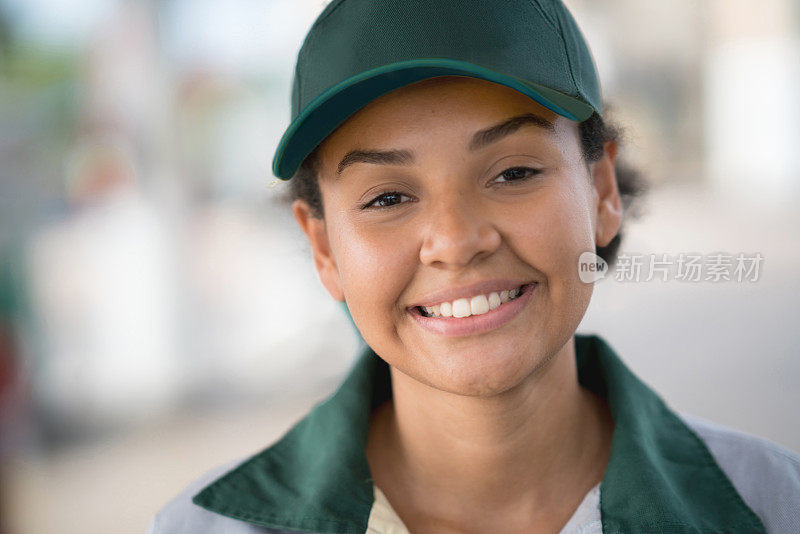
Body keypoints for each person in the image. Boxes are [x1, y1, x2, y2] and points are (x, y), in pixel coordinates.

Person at [148, 1, 800, 532]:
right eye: (388, 198)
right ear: (325, 249)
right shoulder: (202, 528)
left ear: (601, 192)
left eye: (514, 172)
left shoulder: (772, 506)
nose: (456, 241)